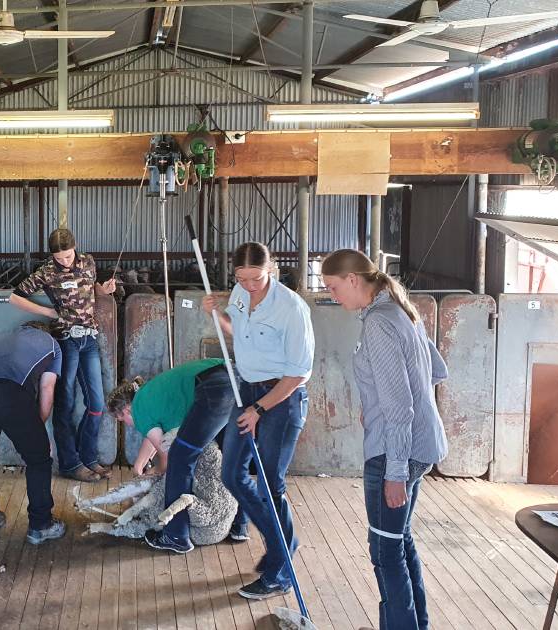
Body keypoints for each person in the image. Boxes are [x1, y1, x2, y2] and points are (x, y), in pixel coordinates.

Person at [321, 249, 448, 630]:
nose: (333, 295)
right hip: (420, 445)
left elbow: (399, 406)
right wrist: (374, 403)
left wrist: (395, 472)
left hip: (396, 452)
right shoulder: (401, 309)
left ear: (354, 280)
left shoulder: (379, 322)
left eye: (333, 287)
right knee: (399, 540)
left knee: (385, 550)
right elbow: (436, 371)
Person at [202, 241, 314, 601]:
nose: (250, 285)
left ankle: (280, 571)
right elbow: (239, 333)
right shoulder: (238, 293)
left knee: (270, 484)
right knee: (231, 473)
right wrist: (215, 316)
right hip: (245, 390)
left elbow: (298, 373)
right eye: (242, 278)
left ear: (271, 270)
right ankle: (285, 543)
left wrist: (260, 410)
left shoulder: (291, 309)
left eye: (256, 278)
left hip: (281, 400)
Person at [9, 228, 116, 483]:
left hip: (89, 338)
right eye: (59, 258)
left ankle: (88, 458)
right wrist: (48, 313)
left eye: (67, 256)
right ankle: (69, 463)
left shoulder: (88, 262)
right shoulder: (47, 271)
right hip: (66, 340)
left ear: (75, 248)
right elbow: (14, 297)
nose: (64, 262)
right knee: (65, 403)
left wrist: (104, 290)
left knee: (97, 403)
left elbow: (93, 292)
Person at [106, 358, 235, 554]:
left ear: (126, 410)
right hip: (234, 376)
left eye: (121, 419)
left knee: (179, 461)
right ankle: (239, 524)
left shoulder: (139, 411)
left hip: (212, 389)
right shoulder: (149, 395)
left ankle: (175, 535)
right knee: (232, 456)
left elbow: (165, 458)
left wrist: (152, 476)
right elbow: (153, 437)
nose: (125, 424)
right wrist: (139, 464)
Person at [0, 322, 65, 545]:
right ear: (43, 331)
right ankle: (41, 525)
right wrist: (37, 434)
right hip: (10, 393)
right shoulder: (52, 346)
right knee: (38, 459)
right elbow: (47, 389)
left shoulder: (1, 335)